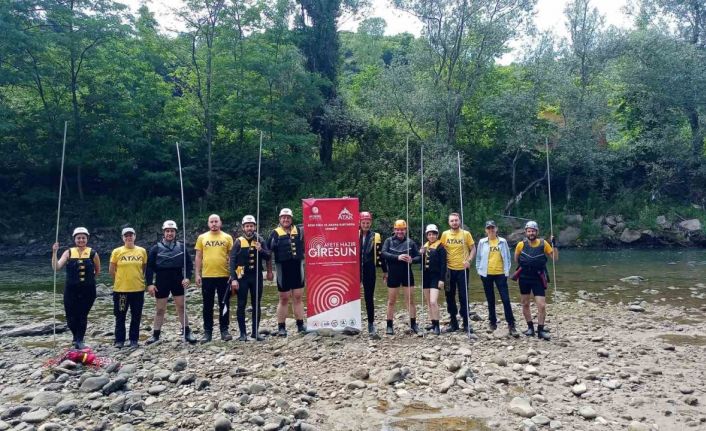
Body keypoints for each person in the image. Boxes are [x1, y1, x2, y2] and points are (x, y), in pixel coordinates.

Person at [144, 220, 197, 344]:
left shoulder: (181, 247)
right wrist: (150, 284)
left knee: (181, 306)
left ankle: (187, 331)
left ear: (175, 233)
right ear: (164, 233)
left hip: (177, 279)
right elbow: (150, 267)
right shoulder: (155, 248)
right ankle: (156, 334)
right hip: (162, 280)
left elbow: (189, 264)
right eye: (167, 231)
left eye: (172, 231)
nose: (170, 233)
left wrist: (188, 277)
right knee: (160, 309)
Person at [52, 227, 101, 349]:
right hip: (71, 290)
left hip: (88, 290)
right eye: (78, 238)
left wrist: (88, 281)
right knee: (70, 316)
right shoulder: (68, 252)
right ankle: (75, 337)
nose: (81, 240)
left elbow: (98, 270)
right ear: (74, 239)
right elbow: (56, 267)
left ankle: (80, 340)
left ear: (87, 239)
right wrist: (54, 253)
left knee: (82, 315)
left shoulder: (93, 253)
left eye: (83, 238)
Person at [229, 215, 272, 341]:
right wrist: (234, 279)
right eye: (247, 226)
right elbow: (232, 261)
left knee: (256, 304)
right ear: (243, 228)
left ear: (255, 227)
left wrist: (261, 250)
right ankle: (243, 334)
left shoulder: (260, 240)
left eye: (251, 226)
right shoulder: (238, 242)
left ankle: (255, 332)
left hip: (256, 277)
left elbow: (268, 256)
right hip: (241, 277)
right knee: (241, 304)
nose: (249, 228)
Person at [513, 220, 558, 341]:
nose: (531, 233)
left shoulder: (544, 244)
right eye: (529, 231)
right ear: (526, 232)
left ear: (536, 232)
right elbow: (516, 259)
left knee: (542, 305)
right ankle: (530, 328)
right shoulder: (520, 245)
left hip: (538, 278)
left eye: (533, 231)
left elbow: (554, 258)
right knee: (525, 303)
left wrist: (555, 245)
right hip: (524, 277)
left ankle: (541, 330)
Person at [195, 214, 234, 342]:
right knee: (207, 305)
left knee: (224, 304)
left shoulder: (227, 237)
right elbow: (198, 257)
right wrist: (197, 274)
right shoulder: (202, 237)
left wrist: (233, 275)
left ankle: (224, 330)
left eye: (216, 221)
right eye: (211, 222)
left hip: (224, 276)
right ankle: (207, 332)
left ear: (220, 223)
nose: (214, 224)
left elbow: (232, 257)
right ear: (208, 223)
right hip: (207, 276)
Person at [476, 220, 519, 337]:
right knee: (490, 299)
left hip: (500, 274)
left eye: (492, 228)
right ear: (486, 230)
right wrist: (479, 271)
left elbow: (508, 258)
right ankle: (492, 322)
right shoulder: (482, 242)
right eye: (488, 228)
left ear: (496, 229)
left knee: (505, 299)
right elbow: (478, 258)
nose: (491, 230)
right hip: (486, 274)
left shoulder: (503, 241)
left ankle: (511, 324)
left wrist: (506, 272)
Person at [268, 208, 305, 337]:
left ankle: (300, 325)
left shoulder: (300, 231)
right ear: (280, 219)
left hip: (297, 267)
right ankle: (281, 327)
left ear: (291, 219)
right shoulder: (274, 234)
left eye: (288, 217)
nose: (286, 219)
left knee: (298, 296)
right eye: (283, 217)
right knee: (283, 298)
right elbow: (268, 254)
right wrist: (269, 271)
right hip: (282, 268)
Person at [109, 227, 147, 348]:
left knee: (136, 315)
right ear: (123, 237)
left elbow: (144, 268)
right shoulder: (117, 251)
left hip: (138, 290)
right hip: (121, 291)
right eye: (126, 235)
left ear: (135, 236)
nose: (129, 237)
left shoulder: (142, 251)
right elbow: (111, 270)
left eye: (131, 235)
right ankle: (119, 340)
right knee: (120, 315)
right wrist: (120, 280)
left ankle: (133, 340)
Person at [381, 219, 421, 335]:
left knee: (410, 301)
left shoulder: (410, 242)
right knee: (391, 301)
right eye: (398, 229)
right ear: (394, 230)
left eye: (402, 229)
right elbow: (383, 253)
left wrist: (412, 260)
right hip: (393, 274)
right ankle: (389, 326)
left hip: (407, 274)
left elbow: (419, 257)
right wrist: (397, 257)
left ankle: (414, 324)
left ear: (405, 230)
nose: (400, 232)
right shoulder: (389, 241)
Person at [440, 212, 476, 333]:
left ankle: (466, 323)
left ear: (459, 221)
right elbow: (440, 249)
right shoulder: (445, 234)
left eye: (456, 220)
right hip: (449, 270)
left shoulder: (466, 234)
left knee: (464, 296)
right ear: (449, 222)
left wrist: (469, 260)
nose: (454, 222)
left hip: (463, 269)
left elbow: (473, 249)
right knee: (449, 296)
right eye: (452, 221)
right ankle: (453, 322)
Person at [359, 211, 387, 334]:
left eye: (368, 222)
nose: (365, 225)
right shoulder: (352, 233)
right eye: (363, 222)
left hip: (369, 269)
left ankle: (371, 323)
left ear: (371, 223)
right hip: (354, 270)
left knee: (369, 297)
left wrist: (385, 271)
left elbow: (380, 256)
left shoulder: (375, 236)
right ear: (359, 223)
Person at [420, 224, 446, 335]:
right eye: (429, 234)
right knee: (428, 302)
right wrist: (420, 254)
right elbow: (420, 261)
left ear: (437, 235)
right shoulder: (424, 247)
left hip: (436, 277)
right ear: (427, 235)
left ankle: (437, 325)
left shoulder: (441, 247)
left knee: (433, 301)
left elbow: (443, 265)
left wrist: (442, 279)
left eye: (433, 234)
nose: (431, 236)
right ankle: (432, 322)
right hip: (426, 277)